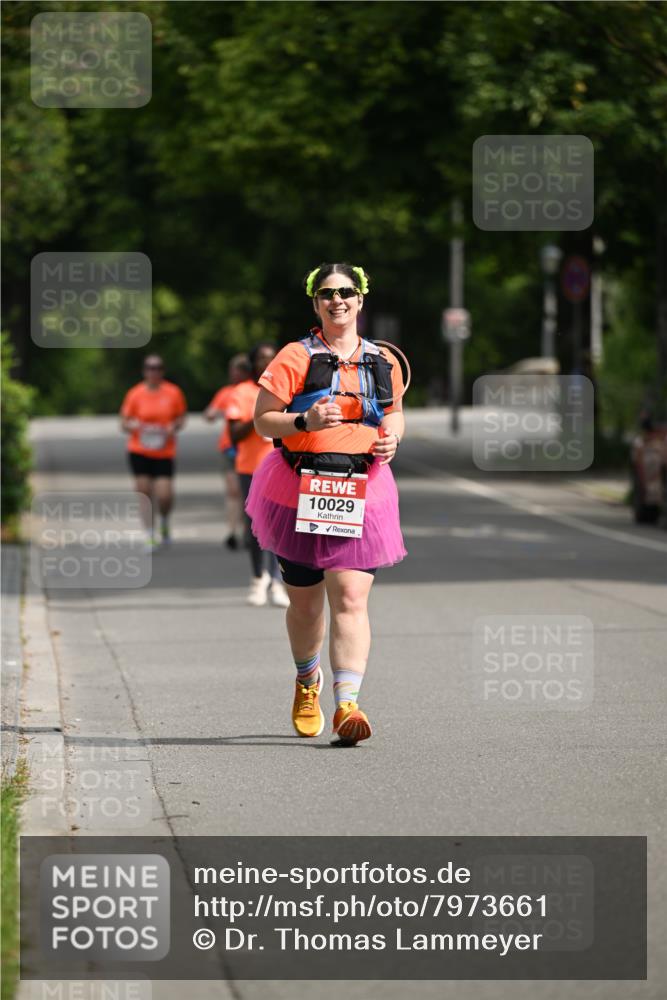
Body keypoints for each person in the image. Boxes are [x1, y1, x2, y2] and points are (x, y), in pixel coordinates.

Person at [248, 263, 406, 745]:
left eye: (346, 293)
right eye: (327, 294)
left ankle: (347, 705)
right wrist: (305, 420)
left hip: (364, 488)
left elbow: (395, 415)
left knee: (351, 598)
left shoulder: (383, 360)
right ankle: (307, 680)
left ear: (361, 299)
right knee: (305, 606)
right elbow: (262, 421)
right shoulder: (297, 355)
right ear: (316, 303)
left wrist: (391, 441)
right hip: (298, 491)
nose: (338, 301)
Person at [226, 344, 290, 608]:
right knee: (255, 526)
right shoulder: (241, 393)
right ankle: (257, 578)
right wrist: (261, 417)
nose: (267, 363)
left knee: (278, 525)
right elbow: (233, 435)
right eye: (262, 359)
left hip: (281, 466)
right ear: (253, 364)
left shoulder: (286, 387)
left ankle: (277, 581)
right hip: (250, 468)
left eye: (271, 358)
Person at [120, 354, 187, 550]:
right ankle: (149, 534)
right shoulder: (135, 394)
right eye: (150, 368)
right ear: (144, 371)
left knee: (164, 495)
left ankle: (164, 521)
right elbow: (123, 421)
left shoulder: (173, 393)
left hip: (164, 451)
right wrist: (132, 425)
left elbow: (181, 418)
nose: (153, 371)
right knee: (143, 491)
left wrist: (173, 427)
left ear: (162, 371)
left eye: (157, 368)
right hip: (139, 449)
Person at [205, 353, 252, 549]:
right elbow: (209, 414)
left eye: (237, 371)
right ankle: (232, 531)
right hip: (229, 447)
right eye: (231, 371)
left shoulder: (253, 391)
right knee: (233, 491)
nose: (233, 375)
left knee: (247, 492)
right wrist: (217, 413)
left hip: (249, 448)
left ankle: (247, 530)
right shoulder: (226, 393)